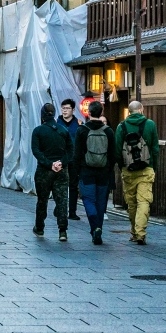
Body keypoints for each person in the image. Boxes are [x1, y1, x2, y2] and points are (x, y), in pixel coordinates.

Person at [115, 100, 159, 245]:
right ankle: (140, 233)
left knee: (132, 203)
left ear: (129, 111)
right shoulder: (150, 124)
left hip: (128, 170)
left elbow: (117, 150)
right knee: (144, 201)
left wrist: (122, 167)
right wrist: (154, 166)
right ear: (141, 110)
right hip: (146, 169)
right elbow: (154, 149)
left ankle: (134, 231)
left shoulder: (121, 126)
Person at [72, 100, 114, 244]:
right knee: (101, 202)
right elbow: (113, 154)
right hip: (103, 172)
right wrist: (109, 168)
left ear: (88, 113)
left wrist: (76, 172)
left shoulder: (82, 130)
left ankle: (95, 227)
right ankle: (98, 229)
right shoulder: (108, 131)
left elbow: (76, 154)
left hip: (86, 171)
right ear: (101, 113)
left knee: (89, 200)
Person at [30, 103, 72, 242]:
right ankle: (62, 231)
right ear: (53, 114)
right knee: (62, 200)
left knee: (42, 200)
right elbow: (71, 151)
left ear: (42, 115)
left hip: (44, 171)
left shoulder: (38, 131)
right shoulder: (63, 130)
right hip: (61, 170)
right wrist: (61, 163)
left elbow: (36, 151)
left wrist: (49, 164)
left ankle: (40, 227)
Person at [55, 98, 85, 221]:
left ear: (73, 110)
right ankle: (59, 209)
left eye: (67, 108)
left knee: (73, 186)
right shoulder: (56, 123)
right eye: (63, 108)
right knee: (58, 186)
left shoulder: (79, 124)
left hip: (73, 159)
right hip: (59, 159)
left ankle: (72, 211)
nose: (65, 111)